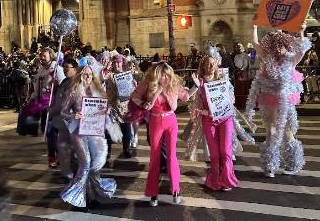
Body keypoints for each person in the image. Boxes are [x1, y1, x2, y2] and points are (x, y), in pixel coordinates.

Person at [246, 24, 311, 178]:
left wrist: (301, 31)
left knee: (288, 133)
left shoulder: (291, 60)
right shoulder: (267, 59)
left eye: (281, 45)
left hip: (285, 101)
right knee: (270, 132)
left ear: (286, 46)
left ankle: (294, 163)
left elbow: (302, 49)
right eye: (275, 45)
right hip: (270, 99)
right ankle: (270, 165)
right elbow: (255, 44)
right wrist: (254, 26)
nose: (278, 49)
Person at [131, 62, 197, 207]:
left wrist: (196, 86)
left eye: (167, 74)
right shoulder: (148, 83)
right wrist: (143, 104)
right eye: (162, 73)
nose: (165, 77)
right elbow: (134, 96)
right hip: (155, 120)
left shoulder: (172, 84)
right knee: (154, 158)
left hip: (170, 121)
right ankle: (153, 193)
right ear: (156, 74)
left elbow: (185, 96)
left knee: (172, 156)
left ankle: (176, 189)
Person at [60, 65, 117, 208]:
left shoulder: (98, 90)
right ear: (79, 75)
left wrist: (107, 110)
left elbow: (104, 108)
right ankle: (75, 196)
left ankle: (92, 194)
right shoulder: (73, 91)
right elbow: (63, 112)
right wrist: (74, 115)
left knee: (95, 165)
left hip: (94, 131)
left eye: (90, 75)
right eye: (85, 74)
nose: (87, 77)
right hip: (78, 131)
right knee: (85, 164)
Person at [191, 46, 238, 191]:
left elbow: (232, 99)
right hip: (209, 120)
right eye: (207, 64)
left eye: (213, 63)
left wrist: (228, 99)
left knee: (225, 151)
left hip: (225, 118)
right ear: (203, 66)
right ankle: (215, 180)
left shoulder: (223, 79)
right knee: (215, 153)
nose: (210, 66)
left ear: (217, 64)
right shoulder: (199, 82)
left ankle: (227, 179)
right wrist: (197, 87)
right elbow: (191, 101)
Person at [48, 57, 78, 181]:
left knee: (74, 149)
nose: (65, 69)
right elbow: (59, 101)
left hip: (73, 121)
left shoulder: (78, 83)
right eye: (64, 66)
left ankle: (76, 172)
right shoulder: (64, 82)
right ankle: (67, 173)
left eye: (68, 67)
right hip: (62, 121)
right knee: (62, 146)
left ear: (75, 69)